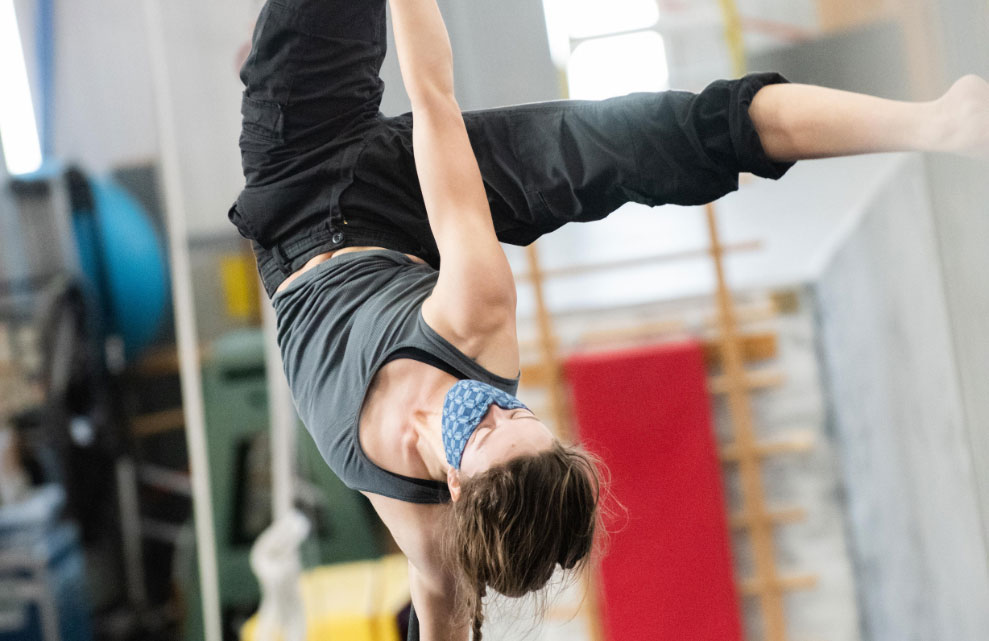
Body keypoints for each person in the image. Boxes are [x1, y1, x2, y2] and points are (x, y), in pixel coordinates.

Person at [229, 0, 988, 638]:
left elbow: (444, 621)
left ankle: (279, 62)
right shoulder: (479, 323)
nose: (494, 403)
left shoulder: (430, 543)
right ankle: (938, 124)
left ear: (457, 488)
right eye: (517, 409)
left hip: (296, 170)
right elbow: (433, 98)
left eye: (487, 427)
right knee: (650, 140)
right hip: (413, 220)